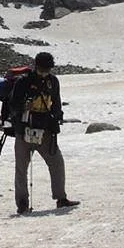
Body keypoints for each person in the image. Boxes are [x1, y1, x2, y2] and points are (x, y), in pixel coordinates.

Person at [9, 52, 79, 213]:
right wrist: (22, 110)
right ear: (36, 66)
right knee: (21, 168)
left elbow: (56, 103)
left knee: (57, 162)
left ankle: (61, 197)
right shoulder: (23, 82)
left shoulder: (53, 81)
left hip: (46, 129)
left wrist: (57, 117)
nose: (45, 71)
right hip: (24, 130)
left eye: (47, 69)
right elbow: (13, 105)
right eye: (43, 68)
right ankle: (22, 203)